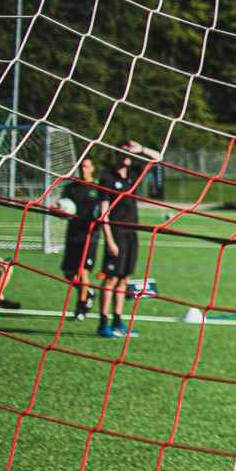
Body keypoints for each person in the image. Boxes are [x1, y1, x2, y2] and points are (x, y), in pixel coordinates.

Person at [97, 139, 160, 338]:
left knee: (124, 279)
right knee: (111, 279)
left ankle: (118, 321)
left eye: (129, 153)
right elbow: (103, 213)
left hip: (132, 233)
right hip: (115, 233)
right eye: (123, 152)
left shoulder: (132, 176)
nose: (127, 156)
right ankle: (103, 323)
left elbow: (158, 158)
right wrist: (109, 240)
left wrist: (141, 148)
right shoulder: (107, 178)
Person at [59, 156, 103, 321]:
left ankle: (81, 308)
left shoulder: (98, 189)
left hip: (90, 235)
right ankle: (89, 293)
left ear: (92, 168)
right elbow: (62, 206)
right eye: (81, 167)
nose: (83, 170)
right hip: (73, 234)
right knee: (68, 274)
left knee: (83, 271)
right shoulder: (71, 188)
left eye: (86, 166)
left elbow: (104, 210)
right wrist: (59, 208)